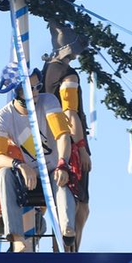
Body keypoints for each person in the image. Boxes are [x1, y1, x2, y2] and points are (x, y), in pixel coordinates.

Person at [0, 63, 76, 252]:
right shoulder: (4, 117)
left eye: (37, 87)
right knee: (3, 174)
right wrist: (19, 165)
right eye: (29, 88)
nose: (35, 92)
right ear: (16, 91)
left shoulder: (49, 101)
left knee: (60, 178)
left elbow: (62, 135)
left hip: (52, 170)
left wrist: (62, 163)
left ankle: (67, 227)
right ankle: (17, 238)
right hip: (27, 177)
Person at [41, 56, 92, 246]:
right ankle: (69, 253)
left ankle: (61, 252)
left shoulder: (45, 71)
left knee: (58, 203)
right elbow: (70, 112)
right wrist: (81, 147)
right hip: (69, 144)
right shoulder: (67, 74)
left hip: (47, 143)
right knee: (80, 206)